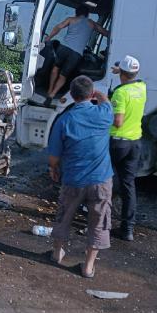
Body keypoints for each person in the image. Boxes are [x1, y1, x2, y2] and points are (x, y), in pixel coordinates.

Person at [48, 75, 114, 278]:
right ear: (91, 94)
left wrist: (54, 169)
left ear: (72, 95)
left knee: (64, 216)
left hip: (73, 180)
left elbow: (53, 158)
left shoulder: (64, 120)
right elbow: (108, 104)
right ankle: (88, 267)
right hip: (101, 179)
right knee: (99, 221)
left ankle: (58, 253)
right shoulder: (104, 114)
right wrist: (100, 95)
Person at [109, 55, 147, 241]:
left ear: (122, 74)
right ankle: (127, 229)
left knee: (105, 178)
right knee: (128, 185)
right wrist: (121, 71)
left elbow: (118, 122)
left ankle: (101, 220)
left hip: (118, 142)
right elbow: (131, 77)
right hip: (135, 143)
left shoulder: (120, 93)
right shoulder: (142, 87)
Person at [43, 5, 109, 100]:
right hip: (76, 53)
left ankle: (49, 90)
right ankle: (53, 93)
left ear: (76, 12)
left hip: (64, 48)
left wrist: (48, 38)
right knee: (63, 75)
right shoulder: (91, 23)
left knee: (55, 69)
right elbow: (104, 32)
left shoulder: (71, 19)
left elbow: (58, 27)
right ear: (87, 14)